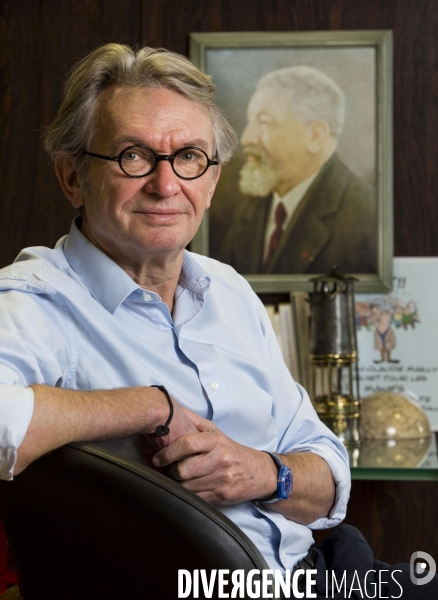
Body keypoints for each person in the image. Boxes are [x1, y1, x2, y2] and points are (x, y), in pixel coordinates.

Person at [0, 45, 435, 598]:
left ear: (211, 182)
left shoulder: (228, 291)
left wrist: (264, 472)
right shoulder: (36, 298)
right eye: (133, 155)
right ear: (72, 177)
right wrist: (149, 404)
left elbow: (330, 477)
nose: (165, 184)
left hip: (325, 574)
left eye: (188, 157)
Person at [218, 66, 377, 275]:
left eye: (264, 122)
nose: (247, 138)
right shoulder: (248, 211)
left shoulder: (365, 214)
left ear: (315, 136)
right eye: (250, 121)